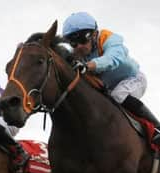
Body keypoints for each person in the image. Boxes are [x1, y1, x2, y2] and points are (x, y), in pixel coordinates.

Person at [62, 12, 160, 142]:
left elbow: (112, 59)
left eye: (82, 39)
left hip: (133, 79)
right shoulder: (76, 56)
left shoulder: (108, 38)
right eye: (73, 43)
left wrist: (89, 66)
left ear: (94, 34)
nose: (79, 46)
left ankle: (157, 127)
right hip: (109, 91)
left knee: (118, 95)